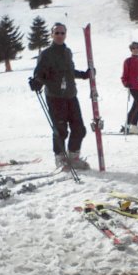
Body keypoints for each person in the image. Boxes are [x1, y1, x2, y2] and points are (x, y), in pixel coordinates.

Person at [32, 22, 90, 169]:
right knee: (60, 129)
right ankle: (60, 158)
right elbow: (40, 73)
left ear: (65, 35)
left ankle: (74, 157)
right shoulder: (46, 54)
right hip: (55, 97)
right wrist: (37, 82)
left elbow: (69, 72)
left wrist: (84, 75)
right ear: (52, 35)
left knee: (79, 129)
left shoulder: (67, 52)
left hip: (71, 95)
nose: (59, 35)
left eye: (62, 33)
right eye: (56, 33)